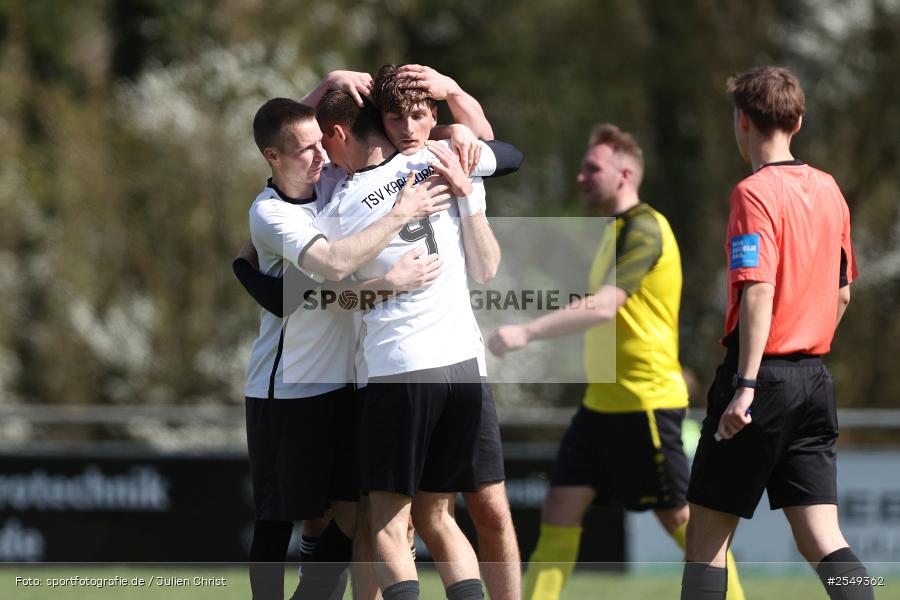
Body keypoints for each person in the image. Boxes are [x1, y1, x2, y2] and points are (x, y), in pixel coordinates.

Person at [488, 124, 744, 600]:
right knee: (559, 510)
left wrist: (525, 331)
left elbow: (605, 306)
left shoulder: (645, 227)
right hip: (600, 404)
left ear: (625, 174)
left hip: (643, 403)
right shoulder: (613, 232)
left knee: (685, 522)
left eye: (593, 169)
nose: (581, 177)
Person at [312, 86, 522, 600]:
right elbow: (509, 156)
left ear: (339, 136)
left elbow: (327, 298)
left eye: (322, 144)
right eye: (396, 116)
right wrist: (459, 121)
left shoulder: (343, 199)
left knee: (386, 524)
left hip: (401, 369)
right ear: (382, 123)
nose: (319, 155)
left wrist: (380, 285)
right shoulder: (450, 159)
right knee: (439, 519)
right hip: (462, 371)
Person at [242, 96, 450, 600]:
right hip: (287, 388)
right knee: (279, 516)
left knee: (352, 513)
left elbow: (306, 291)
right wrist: (391, 269)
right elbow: (330, 272)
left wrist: (457, 130)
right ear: (273, 157)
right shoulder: (270, 214)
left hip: (346, 384)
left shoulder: (332, 185)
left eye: (321, 144)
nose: (319, 156)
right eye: (304, 150)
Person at [681, 66, 867, 600]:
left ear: (741, 121)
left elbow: (757, 290)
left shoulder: (753, 192)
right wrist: (805, 342)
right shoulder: (830, 189)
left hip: (760, 380)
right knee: (822, 538)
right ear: (798, 121)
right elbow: (843, 292)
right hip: (814, 379)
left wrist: (748, 385)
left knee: (707, 539)